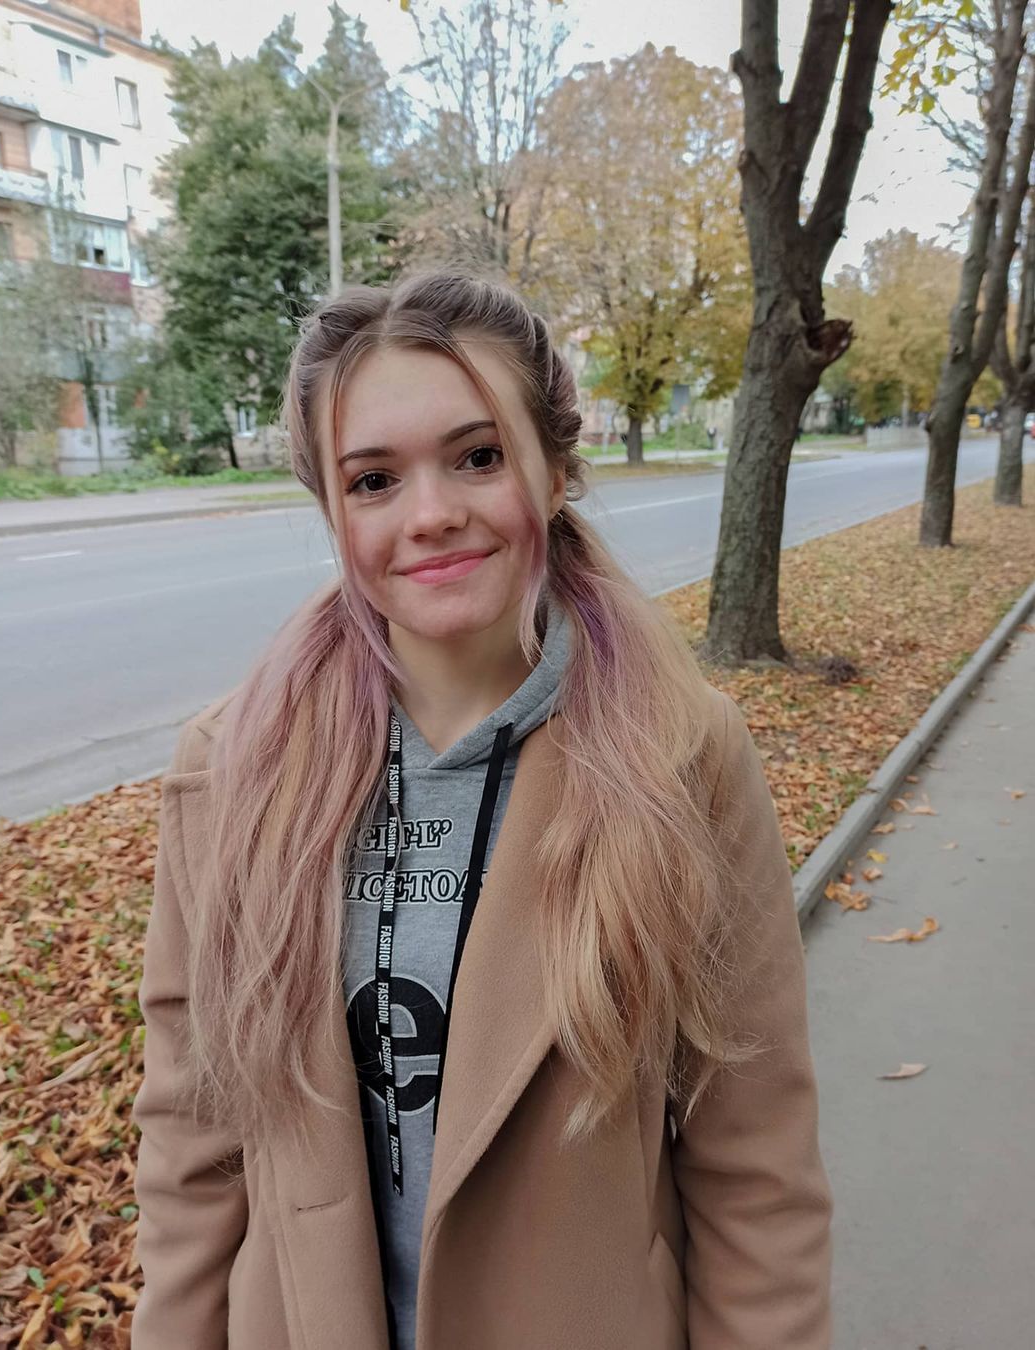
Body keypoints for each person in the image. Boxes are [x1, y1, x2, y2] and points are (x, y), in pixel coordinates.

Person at [131, 270, 833, 1350]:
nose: (431, 516)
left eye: (478, 456)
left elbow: (756, 1163)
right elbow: (190, 1143)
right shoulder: (232, 772)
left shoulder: (680, 760)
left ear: (554, 471)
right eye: (373, 480)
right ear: (332, 509)